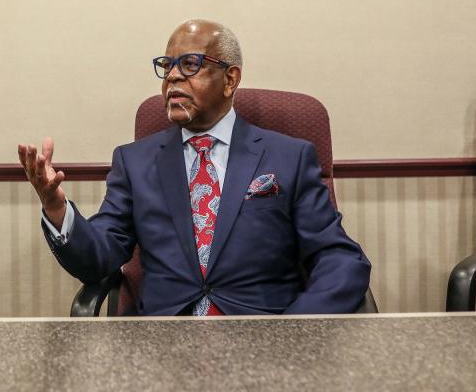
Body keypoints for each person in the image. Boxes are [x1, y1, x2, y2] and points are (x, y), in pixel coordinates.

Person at [18, 19, 370, 315]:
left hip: (262, 340)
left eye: (189, 65)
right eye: (167, 66)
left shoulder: (289, 157)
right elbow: (99, 259)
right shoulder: (136, 161)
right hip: (163, 344)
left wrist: (294, 330)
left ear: (230, 79)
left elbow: (339, 259)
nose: (172, 77)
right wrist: (56, 208)